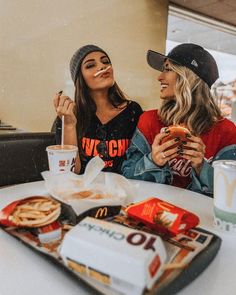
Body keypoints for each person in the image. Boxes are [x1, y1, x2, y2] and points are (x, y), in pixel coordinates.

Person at [121, 43, 236, 196]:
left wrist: (201, 167)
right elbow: (126, 175)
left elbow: (230, 192)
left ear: (188, 77)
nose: (159, 77)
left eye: (168, 69)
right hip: (151, 212)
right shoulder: (149, 120)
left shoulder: (227, 131)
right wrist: (153, 160)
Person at [53, 44, 143, 174]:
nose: (102, 66)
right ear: (80, 78)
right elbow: (70, 172)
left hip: (123, 192)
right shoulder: (69, 115)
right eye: (90, 65)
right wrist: (68, 125)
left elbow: (138, 165)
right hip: (84, 192)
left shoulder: (132, 111)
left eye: (105, 62)